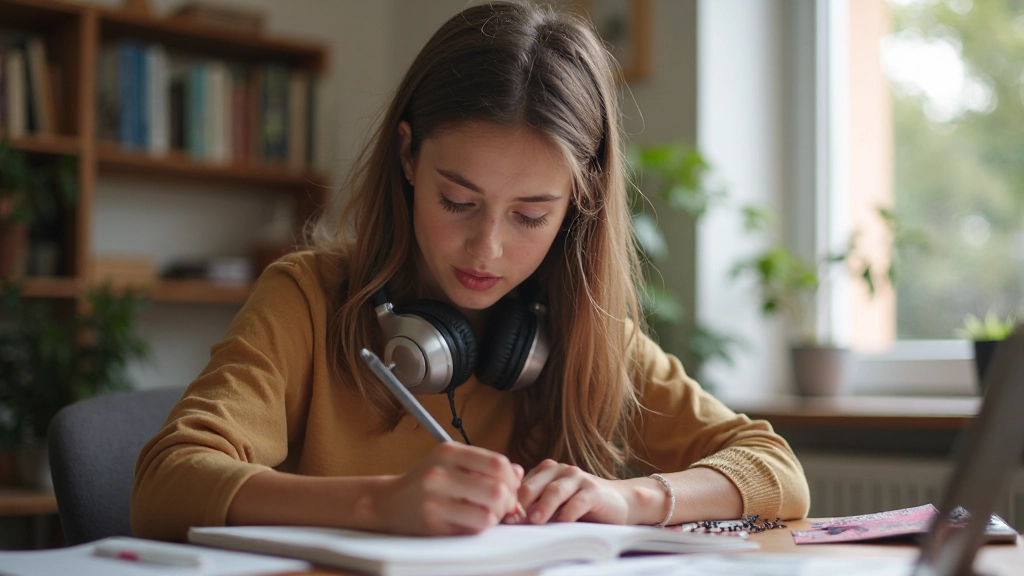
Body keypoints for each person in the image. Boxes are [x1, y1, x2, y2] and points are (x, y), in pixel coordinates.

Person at [131, 1, 810, 541]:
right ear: (407, 159)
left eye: (530, 216)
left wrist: (629, 498)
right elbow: (166, 483)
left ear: (580, 201)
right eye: (458, 201)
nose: (485, 250)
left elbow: (775, 471)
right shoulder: (308, 299)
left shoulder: (582, 331)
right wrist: (376, 502)